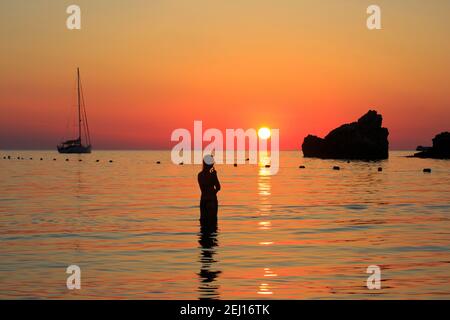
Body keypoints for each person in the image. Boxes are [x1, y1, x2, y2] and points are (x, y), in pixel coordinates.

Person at [198, 155, 221, 223]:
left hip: (203, 201)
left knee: (203, 221)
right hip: (212, 200)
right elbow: (218, 187)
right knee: (213, 222)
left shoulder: (200, 175)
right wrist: (215, 175)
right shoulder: (212, 175)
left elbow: (203, 188)